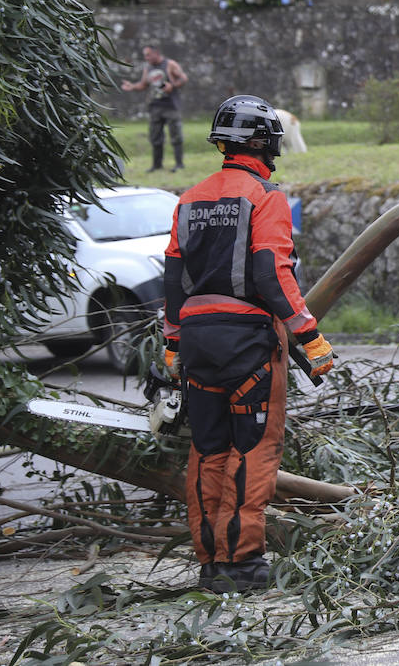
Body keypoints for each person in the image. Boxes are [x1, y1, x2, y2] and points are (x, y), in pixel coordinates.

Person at [162, 94, 336, 593]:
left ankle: (211, 562)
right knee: (252, 449)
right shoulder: (266, 197)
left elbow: (173, 280)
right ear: (265, 142)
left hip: (195, 341)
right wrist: (309, 336)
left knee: (208, 448)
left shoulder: (189, 198)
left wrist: (173, 342)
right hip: (247, 343)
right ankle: (241, 563)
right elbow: (271, 271)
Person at [121, 45, 188, 172]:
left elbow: (183, 78)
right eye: (145, 55)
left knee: (176, 136)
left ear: (156, 53)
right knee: (155, 136)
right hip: (155, 106)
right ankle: (157, 165)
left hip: (171, 105)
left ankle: (179, 164)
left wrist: (172, 86)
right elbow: (143, 84)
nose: (146, 57)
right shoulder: (148, 68)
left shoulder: (170, 64)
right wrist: (132, 86)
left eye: (148, 54)